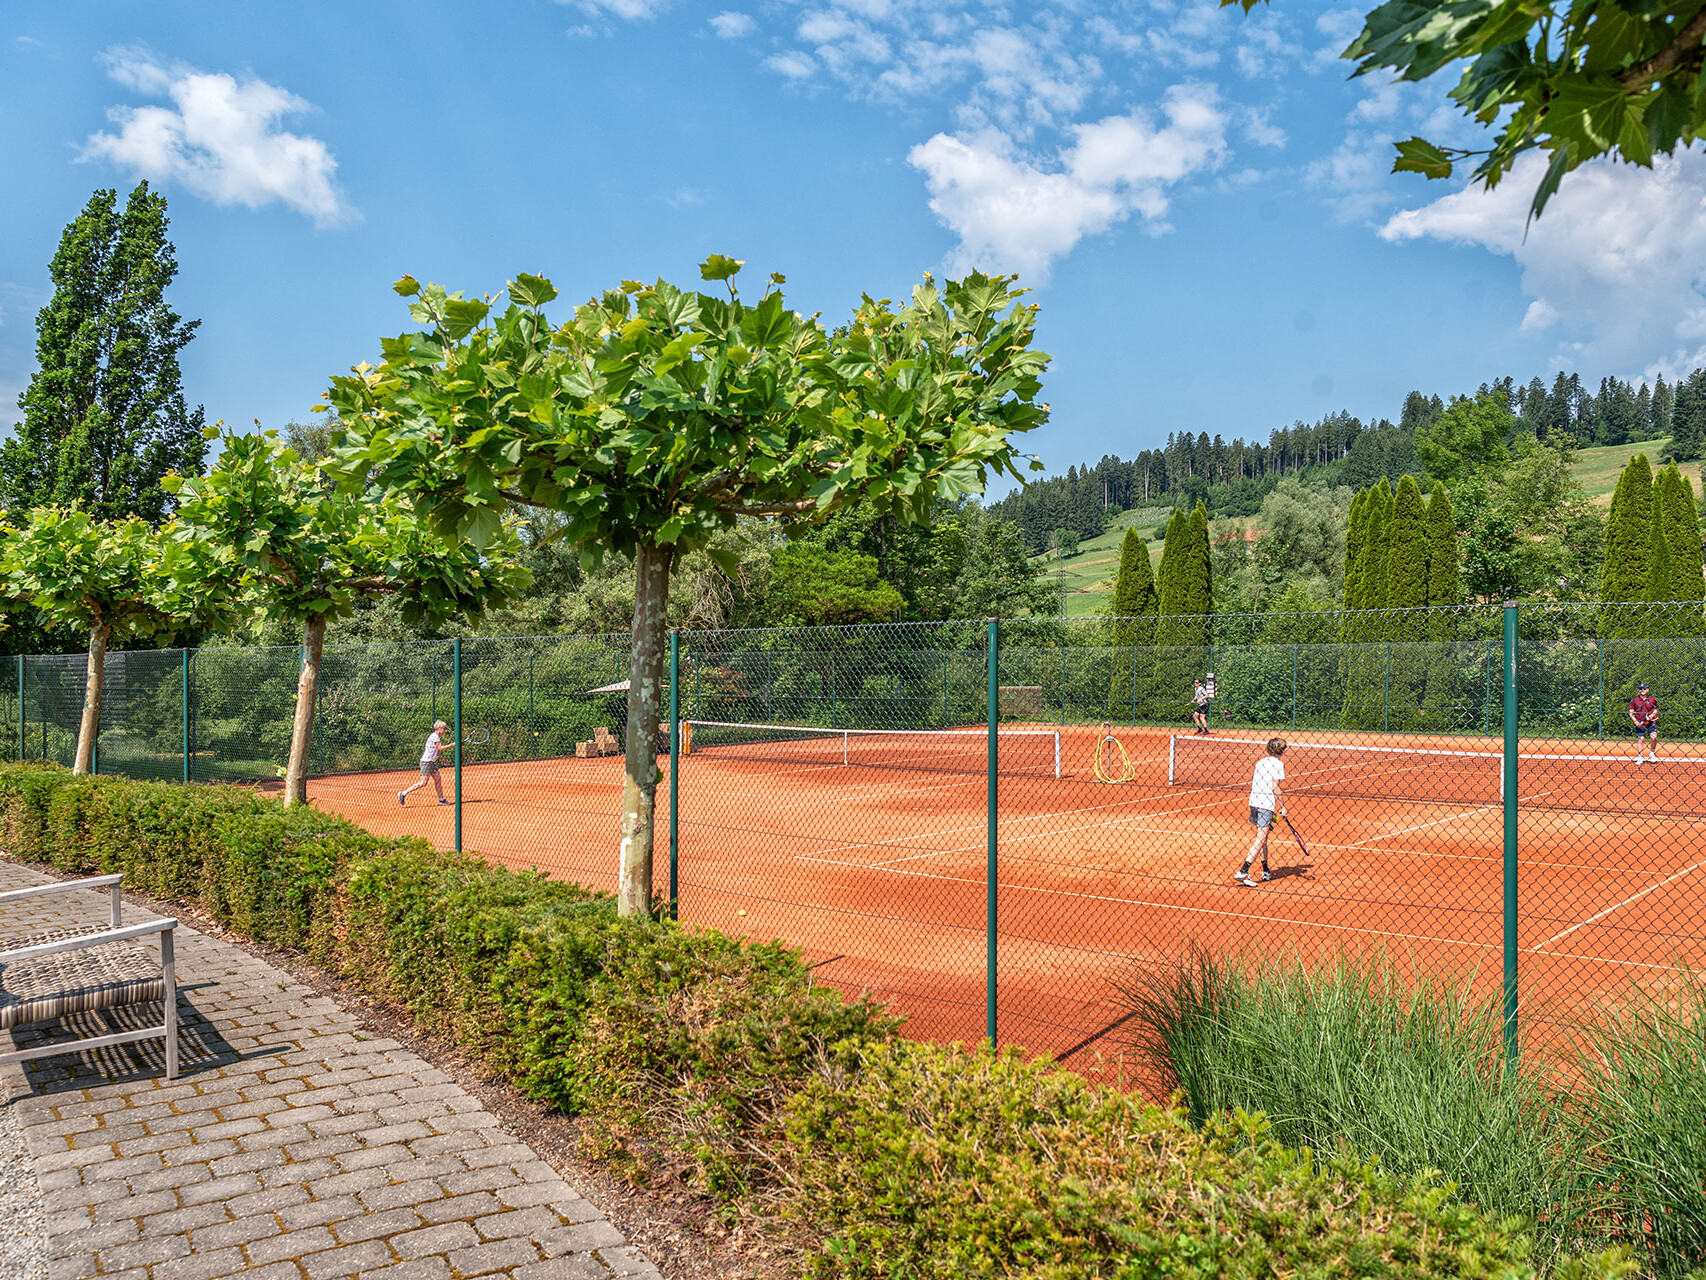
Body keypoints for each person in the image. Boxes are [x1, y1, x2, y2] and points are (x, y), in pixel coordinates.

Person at [1235, 737, 1287, 887]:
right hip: (1265, 804)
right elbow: (1275, 786)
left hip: (1254, 802)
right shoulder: (1278, 764)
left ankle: (1265, 870)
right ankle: (1243, 872)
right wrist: (1283, 807)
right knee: (1260, 839)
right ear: (1282, 751)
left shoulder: (1260, 762)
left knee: (1263, 837)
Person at [399, 720, 450, 805]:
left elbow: (435, 750)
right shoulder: (435, 737)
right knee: (423, 783)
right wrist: (453, 744)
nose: (445, 730)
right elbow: (440, 748)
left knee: (438, 779)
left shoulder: (434, 736)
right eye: (444, 728)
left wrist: (441, 758)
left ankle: (441, 799)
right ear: (439, 728)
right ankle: (403, 793)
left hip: (431, 762)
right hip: (426, 762)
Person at [1629, 682, 1660, 762]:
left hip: (1650, 723)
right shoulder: (1634, 700)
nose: (1642, 690)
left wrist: (1652, 715)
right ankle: (1640, 756)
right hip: (1640, 723)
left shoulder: (1652, 700)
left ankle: (1652, 753)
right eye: (1640, 689)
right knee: (1641, 739)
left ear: (1647, 690)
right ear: (1639, 690)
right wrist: (1636, 721)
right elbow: (1631, 713)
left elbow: (1656, 710)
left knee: (1654, 737)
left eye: (1644, 688)